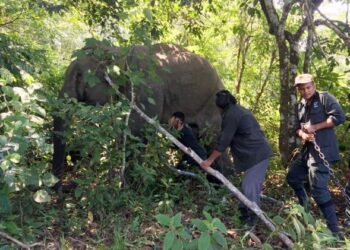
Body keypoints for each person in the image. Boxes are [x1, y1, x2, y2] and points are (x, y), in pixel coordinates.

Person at [200, 90, 272, 227]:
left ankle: (252, 219)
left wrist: (209, 161)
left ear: (219, 106)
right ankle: (243, 213)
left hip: (257, 154)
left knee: (249, 186)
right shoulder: (237, 110)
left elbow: (224, 141)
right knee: (248, 185)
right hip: (255, 154)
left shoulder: (231, 115)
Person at [286, 73, 346, 234]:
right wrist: (303, 135)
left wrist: (315, 127)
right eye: (302, 89)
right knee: (292, 177)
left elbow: (339, 117)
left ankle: (335, 232)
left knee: (319, 189)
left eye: (308, 87)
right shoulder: (300, 105)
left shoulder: (324, 98)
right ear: (298, 90)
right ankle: (306, 212)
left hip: (323, 151)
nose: (305, 91)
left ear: (314, 85)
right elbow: (296, 128)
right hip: (307, 150)